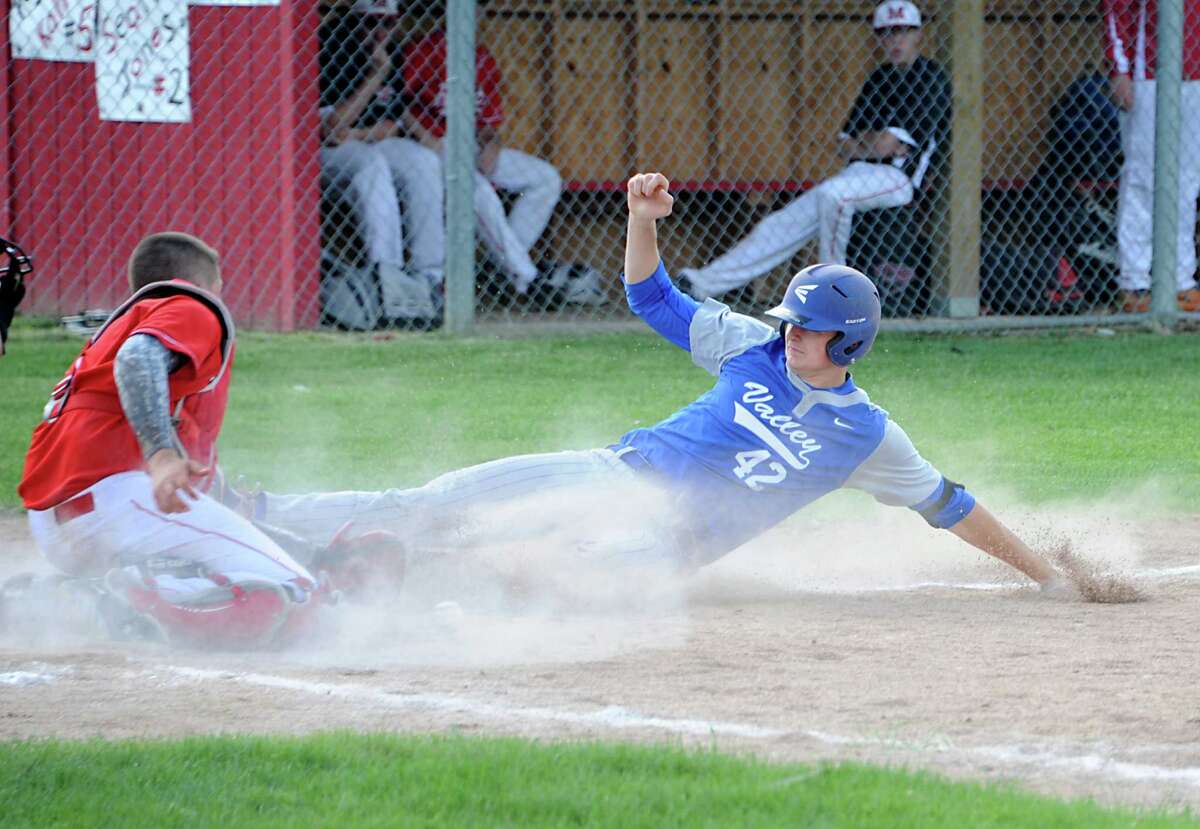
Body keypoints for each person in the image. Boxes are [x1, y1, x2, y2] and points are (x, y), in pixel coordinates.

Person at [245, 173, 1068, 599]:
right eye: (786, 319)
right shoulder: (753, 347)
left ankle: (367, 586)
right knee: (440, 497)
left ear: (848, 341)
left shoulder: (867, 436)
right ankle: (262, 519)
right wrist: (644, 220)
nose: (788, 333)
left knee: (528, 575)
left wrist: (1047, 572)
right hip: (615, 470)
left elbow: (950, 504)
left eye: (806, 327)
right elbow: (652, 298)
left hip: (656, 549)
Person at [14, 233, 336, 648]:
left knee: (212, 561)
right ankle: (151, 600)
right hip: (120, 502)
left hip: (65, 525)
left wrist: (308, 548)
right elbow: (138, 359)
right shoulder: (193, 306)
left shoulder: (122, 328)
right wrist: (162, 455)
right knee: (302, 599)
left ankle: (80, 600)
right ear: (207, 285)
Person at [677, 0, 950, 302]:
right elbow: (846, 144)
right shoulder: (879, 79)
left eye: (903, 31)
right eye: (886, 33)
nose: (895, 40)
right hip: (857, 173)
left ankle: (832, 294)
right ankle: (703, 283)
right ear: (878, 38)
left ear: (918, 34)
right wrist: (874, 143)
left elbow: (882, 145)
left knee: (833, 196)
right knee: (780, 222)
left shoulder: (931, 77)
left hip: (899, 178)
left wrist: (870, 143)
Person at [402, 3, 566, 304]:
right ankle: (525, 277)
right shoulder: (422, 50)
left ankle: (497, 272)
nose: (475, 12)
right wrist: (427, 139)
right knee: (477, 190)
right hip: (430, 144)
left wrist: (491, 146)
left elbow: (489, 124)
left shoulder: (482, 59)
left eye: (478, 6)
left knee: (546, 178)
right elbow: (402, 106)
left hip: (470, 144)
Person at [319, 0, 445, 328]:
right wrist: (375, 76)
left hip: (362, 139)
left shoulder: (393, 52)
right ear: (353, 21)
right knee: (371, 164)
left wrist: (358, 132)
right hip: (318, 154)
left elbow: (393, 124)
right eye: (369, 23)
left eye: (387, 24)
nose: (379, 32)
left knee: (424, 162)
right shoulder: (330, 46)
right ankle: (387, 281)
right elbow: (330, 131)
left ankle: (429, 277)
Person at [1103, 0, 1200, 313]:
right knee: (1143, 178)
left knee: (1188, 180)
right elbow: (1118, 9)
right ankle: (1136, 281)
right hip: (1150, 74)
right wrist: (1120, 69)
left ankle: (1181, 280)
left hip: (1195, 77)